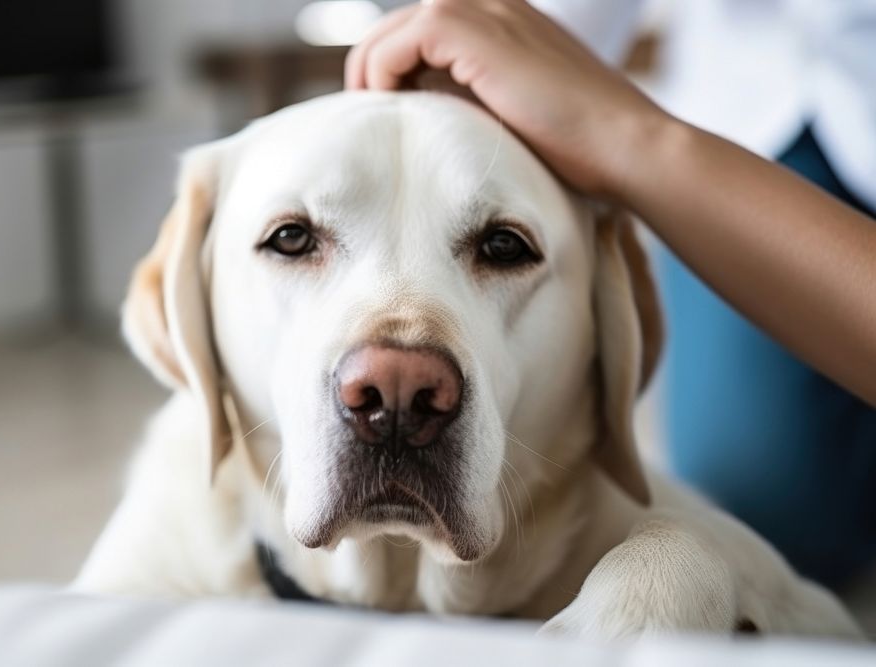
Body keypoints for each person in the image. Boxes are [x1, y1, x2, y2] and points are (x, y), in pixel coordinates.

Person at [344, 0, 876, 585]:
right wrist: (513, 37)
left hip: (700, 141)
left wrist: (628, 136)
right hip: (752, 107)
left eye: (501, 248)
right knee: (769, 507)